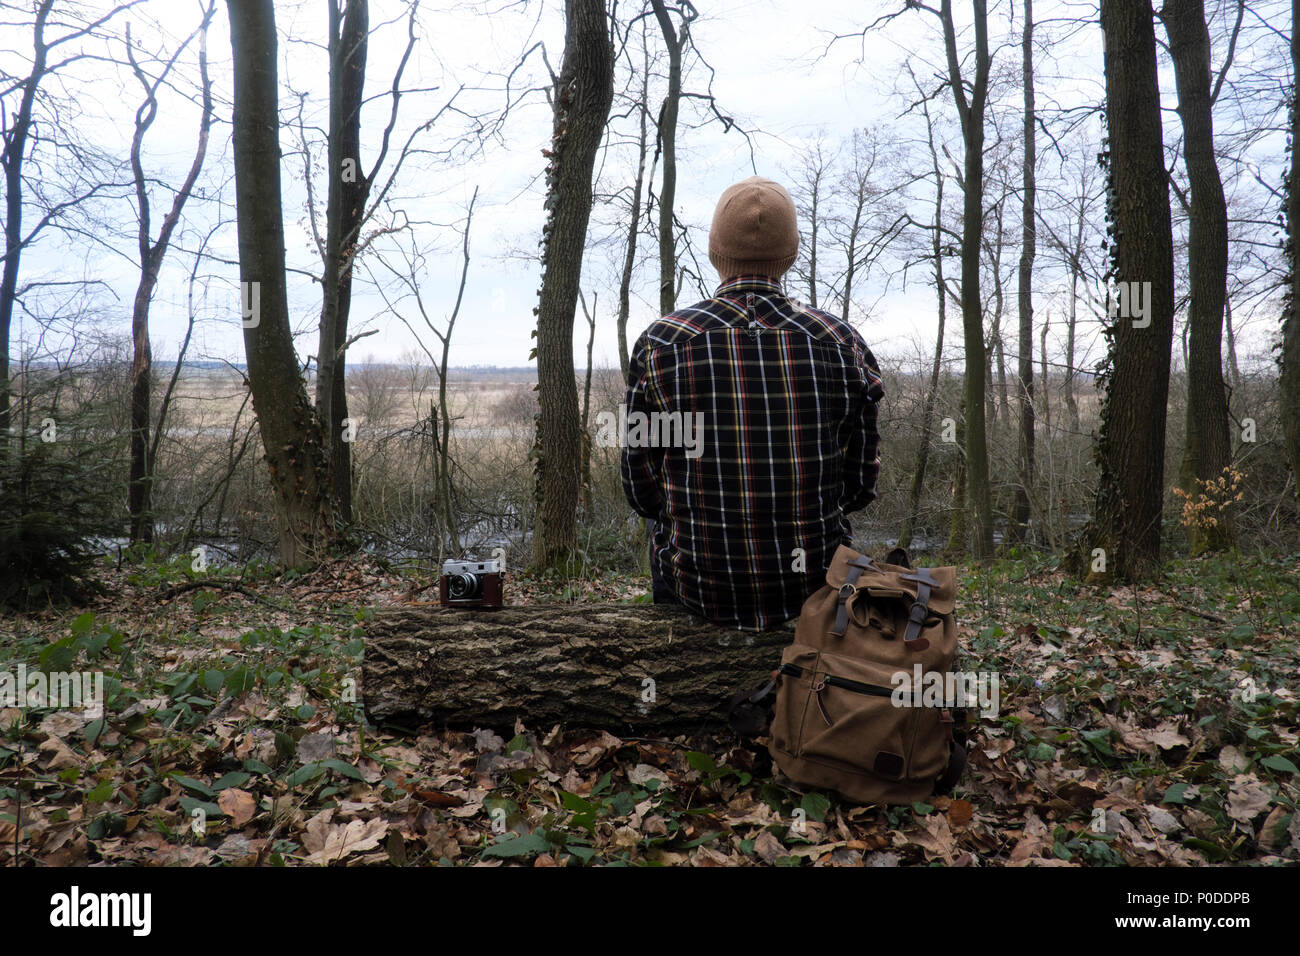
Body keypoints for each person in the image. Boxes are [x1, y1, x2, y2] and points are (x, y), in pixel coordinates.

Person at [621, 175, 885, 630]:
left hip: (696, 586)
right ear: (790, 254)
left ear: (716, 252)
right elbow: (859, 486)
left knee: (666, 516)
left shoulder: (661, 342)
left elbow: (640, 488)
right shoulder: (843, 343)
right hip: (813, 587)